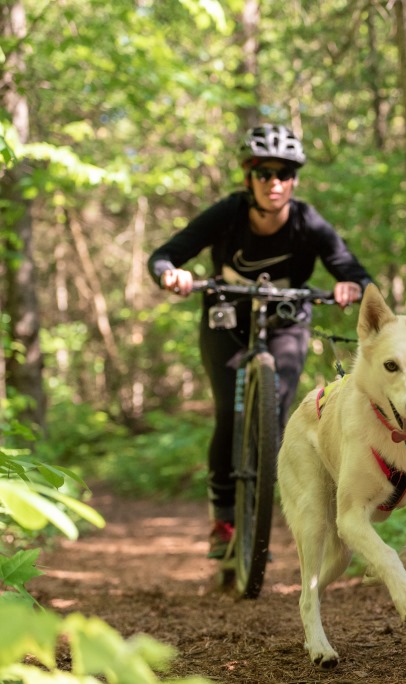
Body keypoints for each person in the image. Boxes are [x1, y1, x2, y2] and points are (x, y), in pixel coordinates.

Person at [148, 124, 373, 559]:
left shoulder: (308, 221)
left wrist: (351, 286)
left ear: (295, 180)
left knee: (272, 419)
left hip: (286, 320)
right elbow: (164, 255)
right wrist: (170, 274)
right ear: (248, 177)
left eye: (285, 174)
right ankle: (224, 519)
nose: (276, 183)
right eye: (265, 173)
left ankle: (259, 517)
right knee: (229, 416)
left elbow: (354, 270)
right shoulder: (228, 213)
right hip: (226, 317)